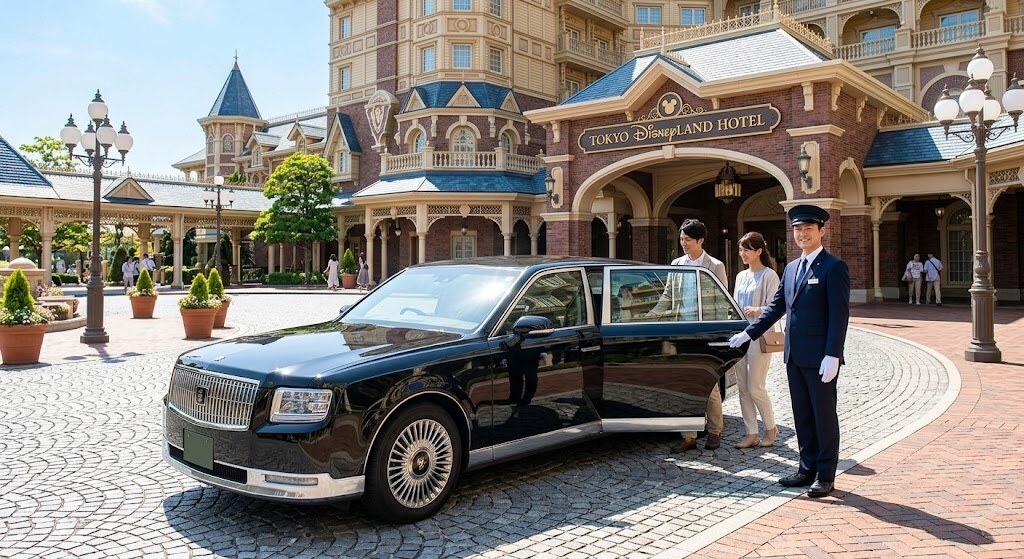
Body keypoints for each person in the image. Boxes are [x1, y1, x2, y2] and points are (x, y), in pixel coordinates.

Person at [729, 204, 850, 498]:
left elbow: (839, 315)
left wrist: (833, 354)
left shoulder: (833, 267)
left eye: (808, 228)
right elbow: (776, 307)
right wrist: (749, 332)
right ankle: (805, 468)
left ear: (822, 231)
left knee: (823, 415)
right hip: (794, 355)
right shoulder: (793, 268)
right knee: (802, 414)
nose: (802, 234)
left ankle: (825, 474)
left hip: (821, 358)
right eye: (797, 229)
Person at [666, 219, 727, 453]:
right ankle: (689, 436)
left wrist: (720, 334)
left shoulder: (715, 266)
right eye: (681, 239)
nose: (683, 243)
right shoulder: (676, 264)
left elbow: (722, 302)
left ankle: (715, 432)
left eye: (687, 240)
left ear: (700, 240)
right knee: (684, 385)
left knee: (709, 385)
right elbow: (667, 297)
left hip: (706, 334)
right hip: (682, 333)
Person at [731, 232, 781, 449]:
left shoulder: (770, 275)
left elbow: (775, 307)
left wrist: (757, 309)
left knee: (755, 386)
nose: (743, 254)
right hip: (739, 336)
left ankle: (770, 428)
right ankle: (751, 432)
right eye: (741, 250)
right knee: (742, 387)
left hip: (759, 336)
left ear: (759, 251)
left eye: (747, 250)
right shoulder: (740, 276)